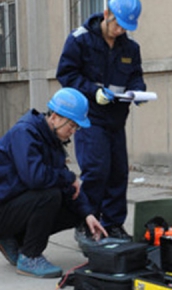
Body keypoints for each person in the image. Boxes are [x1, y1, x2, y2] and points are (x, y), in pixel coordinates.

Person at [56, 0, 146, 241]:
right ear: (106, 13)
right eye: (117, 24)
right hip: (89, 118)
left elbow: (136, 75)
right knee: (96, 170)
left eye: (125, 27)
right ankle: (87, 223)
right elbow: (66, 75)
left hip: (116, 119)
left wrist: (138, 91)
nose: (119, 30)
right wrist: (93, 91)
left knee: (118, 172)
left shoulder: (130, 47)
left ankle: (113, 224)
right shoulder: (80, 40)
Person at [0, 88, 107, 278]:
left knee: (73, 209)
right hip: (4, 207)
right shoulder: (24, 133)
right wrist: (69, 178)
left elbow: (65, 184)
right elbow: (35, 177)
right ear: (55, 117)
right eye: (71, 126)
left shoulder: (51, 139)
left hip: (14, 206)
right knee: (49, 195)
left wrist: (87, 214)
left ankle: (15, 240)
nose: (72, 132)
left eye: (76, 128)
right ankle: (29, 257)